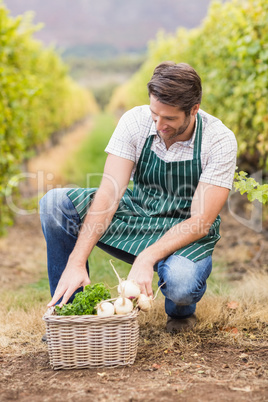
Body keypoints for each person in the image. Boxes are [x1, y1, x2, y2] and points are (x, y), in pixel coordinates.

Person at [40, 61, 237, 333]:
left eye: (169, 119)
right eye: (155, 114)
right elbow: (109, 193)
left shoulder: (219, 140)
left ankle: (180, 313)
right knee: (54, 204)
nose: (159, 125)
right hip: (140, 214)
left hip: (187, 227)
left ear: (194, 110)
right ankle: (70, 316)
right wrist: (76, 261)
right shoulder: (136, 121)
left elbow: (201, 220)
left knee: (180, 284)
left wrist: (146, 258)